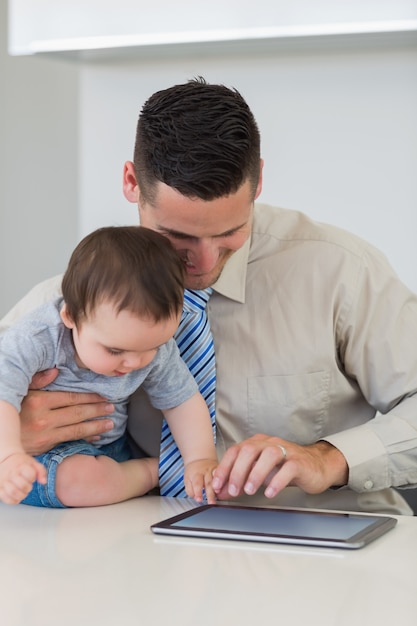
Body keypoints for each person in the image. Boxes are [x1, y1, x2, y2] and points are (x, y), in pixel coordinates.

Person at [1, 77, 417, 515]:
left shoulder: (340, 271)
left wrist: (328, 458)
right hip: (141, 550)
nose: (201, 260)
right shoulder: (76, 300)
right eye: (176, 236)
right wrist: (14, 437)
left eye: (229, 233)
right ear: (130, 183)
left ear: (257, 185)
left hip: (329, 541)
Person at [0, 225, 217, 507]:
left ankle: (147, 471)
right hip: (38, 458)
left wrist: (200, 458)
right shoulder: (37, 337)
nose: (134, 362)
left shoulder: (154, 348)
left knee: (91, 477)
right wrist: (9, 456)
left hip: (112, 450)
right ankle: (153, 472)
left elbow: (182, 400)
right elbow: (4, 394)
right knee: (78, 481)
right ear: (71, 317)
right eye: (115, 350)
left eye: (150, 347)